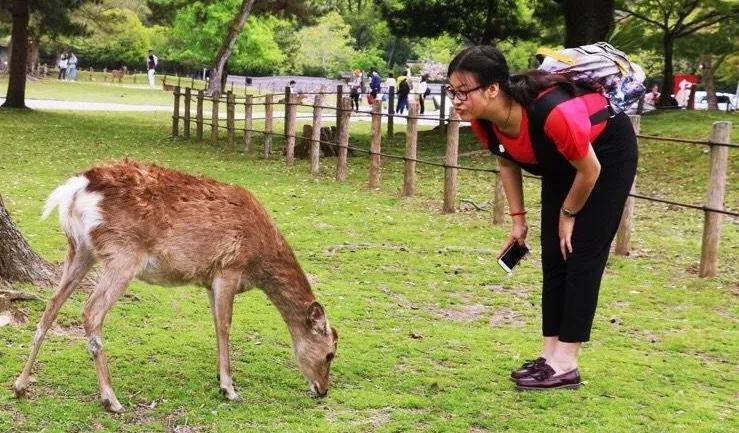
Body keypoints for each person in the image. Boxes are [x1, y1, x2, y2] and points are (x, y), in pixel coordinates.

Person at [446, 46, 637, 390]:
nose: (456, 100)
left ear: (492, 89)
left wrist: (568, 213)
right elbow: (505, 159)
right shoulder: (484, 121)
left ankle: (567, 362)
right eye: (452, 91)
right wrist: (519, 220)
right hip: (562, 163)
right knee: (554, 254)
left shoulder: (550, 113)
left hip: (604, 157)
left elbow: (590, 169)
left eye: (463, 91)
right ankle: (550, 355)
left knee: (580, 253)